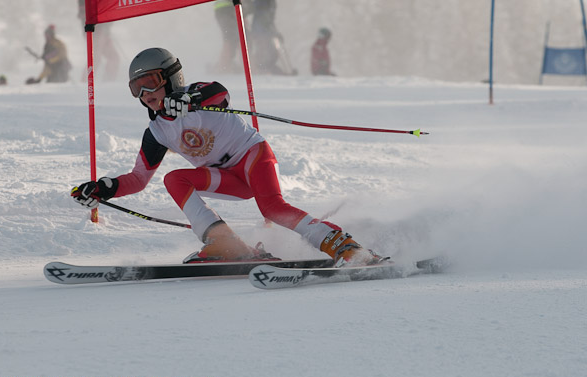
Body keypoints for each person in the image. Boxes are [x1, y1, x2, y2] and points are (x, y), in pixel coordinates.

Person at [71, 47, 380, 265]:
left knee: (272, 207)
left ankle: (342, 244)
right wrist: (103, 189)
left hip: (252, 157)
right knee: (174, 179)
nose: (145, 94)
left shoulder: (198, 94)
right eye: (136, 88)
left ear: (170, 77)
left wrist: (189, 98)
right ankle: (225, 242)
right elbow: (138, 179)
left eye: (150, 82)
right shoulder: (157, 132)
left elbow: (220, 93)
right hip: (227, 178)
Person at [77, 0, 120, 81]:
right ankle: (85, 82)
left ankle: (108, 81)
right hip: (95, 31)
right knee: (96, 58)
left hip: (103, 31)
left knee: (113, 58)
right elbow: (85, 12)